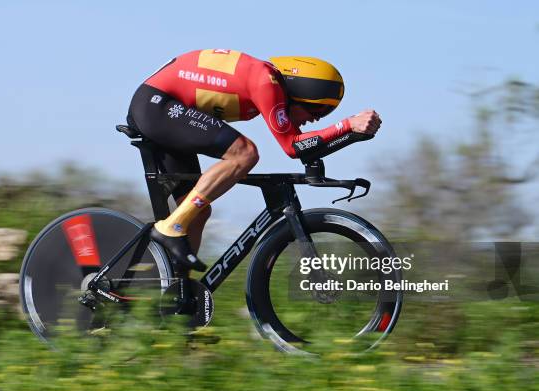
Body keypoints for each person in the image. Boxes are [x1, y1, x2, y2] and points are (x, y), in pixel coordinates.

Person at [126, 50, 382, 271]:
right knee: (245, 153)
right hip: (156, 105)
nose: (315, 120)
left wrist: (351, 134)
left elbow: (303, 146)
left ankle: (174, 295)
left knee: (198, 212)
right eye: (318, 110)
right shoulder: (266, 82)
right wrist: (347, 124)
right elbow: (293, 147)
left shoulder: (266, 81)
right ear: (300, 93)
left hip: (163, 107)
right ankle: (170, 227)